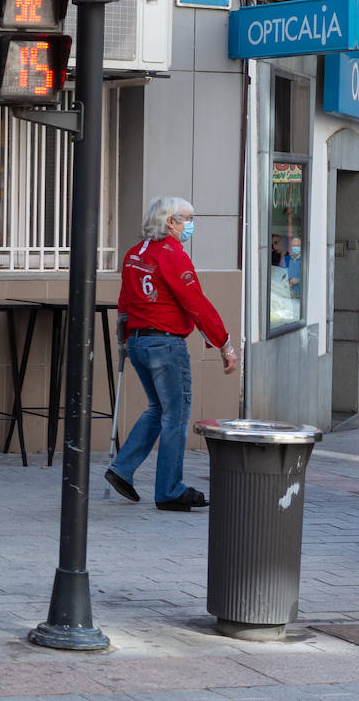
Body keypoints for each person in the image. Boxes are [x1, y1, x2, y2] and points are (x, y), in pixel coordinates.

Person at [104, 196, 237, 512]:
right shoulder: (172, 256)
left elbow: (125, 301)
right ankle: (169, 490)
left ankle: (122, 469)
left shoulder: (134, 254)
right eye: (187, 218)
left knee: (158, 408)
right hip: (165, 344)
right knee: (175, 414)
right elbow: (196, 304)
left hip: (138, 342)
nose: (191, 224)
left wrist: (124, 340)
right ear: (170, 222)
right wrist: (224, 344)